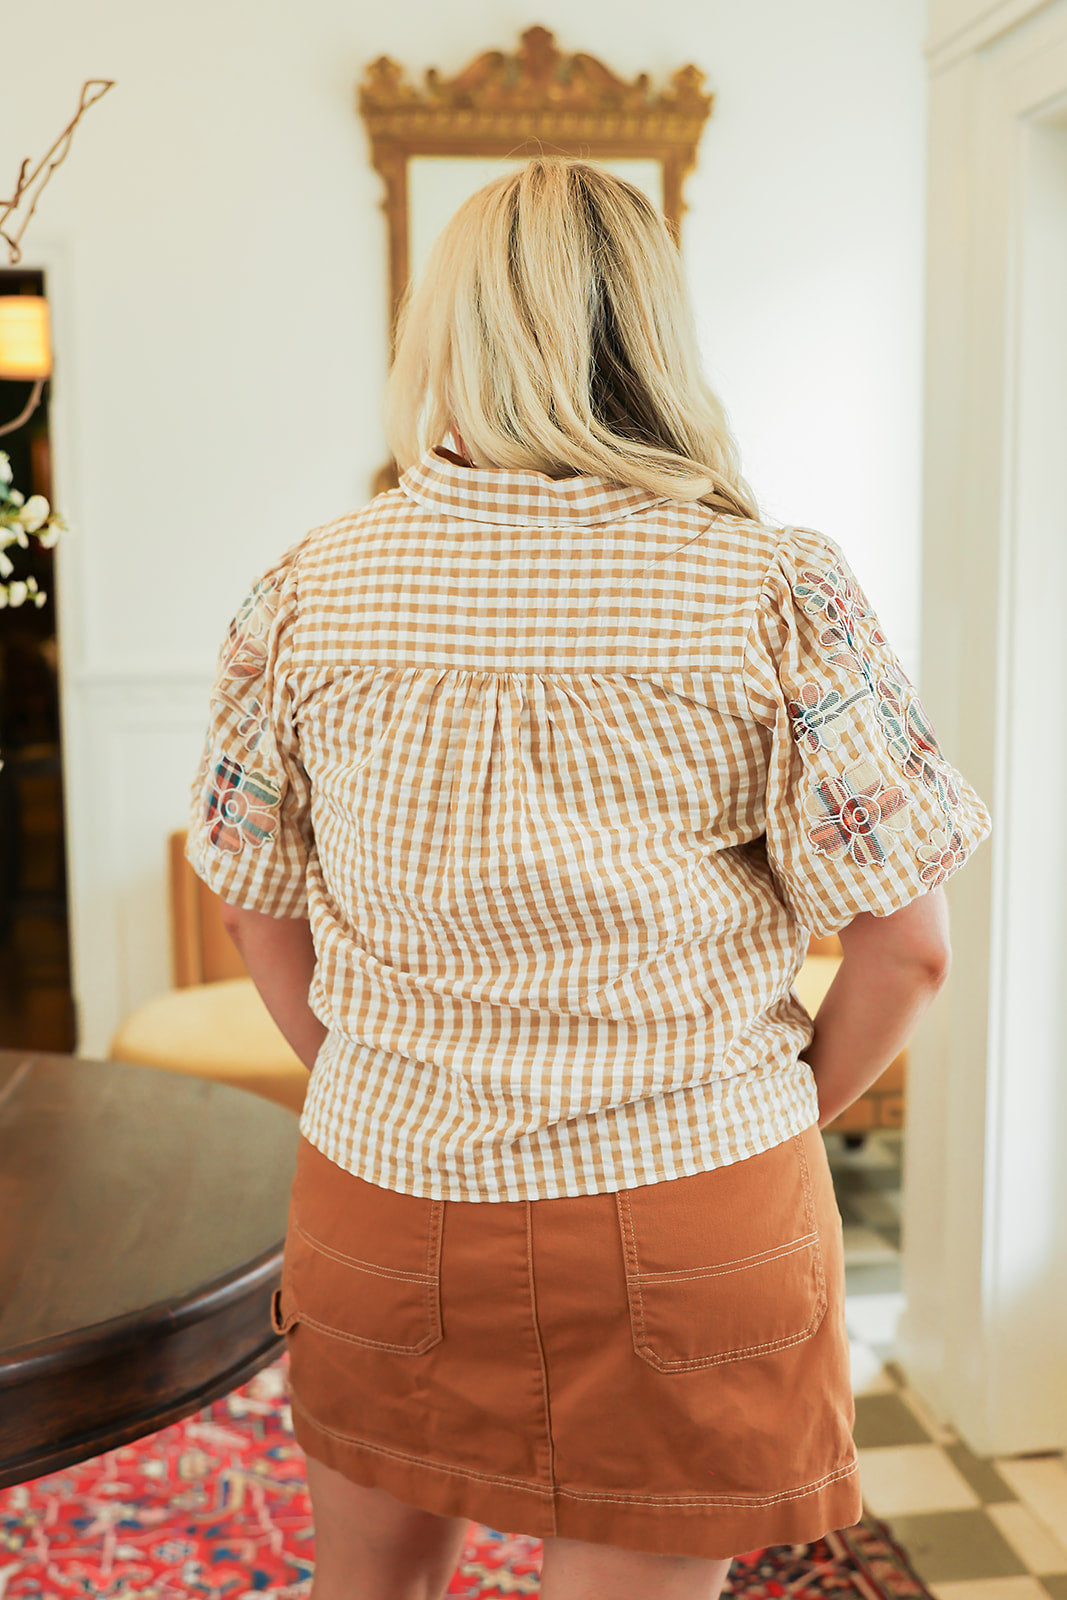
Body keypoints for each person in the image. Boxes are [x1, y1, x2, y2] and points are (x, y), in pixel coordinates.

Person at [187, 159, 991, 1600]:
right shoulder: (773, 590)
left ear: (449, 332)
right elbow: (910, 951)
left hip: (388, 1191)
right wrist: (766, 1116)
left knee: (367, 1595)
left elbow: (254, 899)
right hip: (697, 1202)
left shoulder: (307, 586)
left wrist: (367, 1070)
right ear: (655, 332)